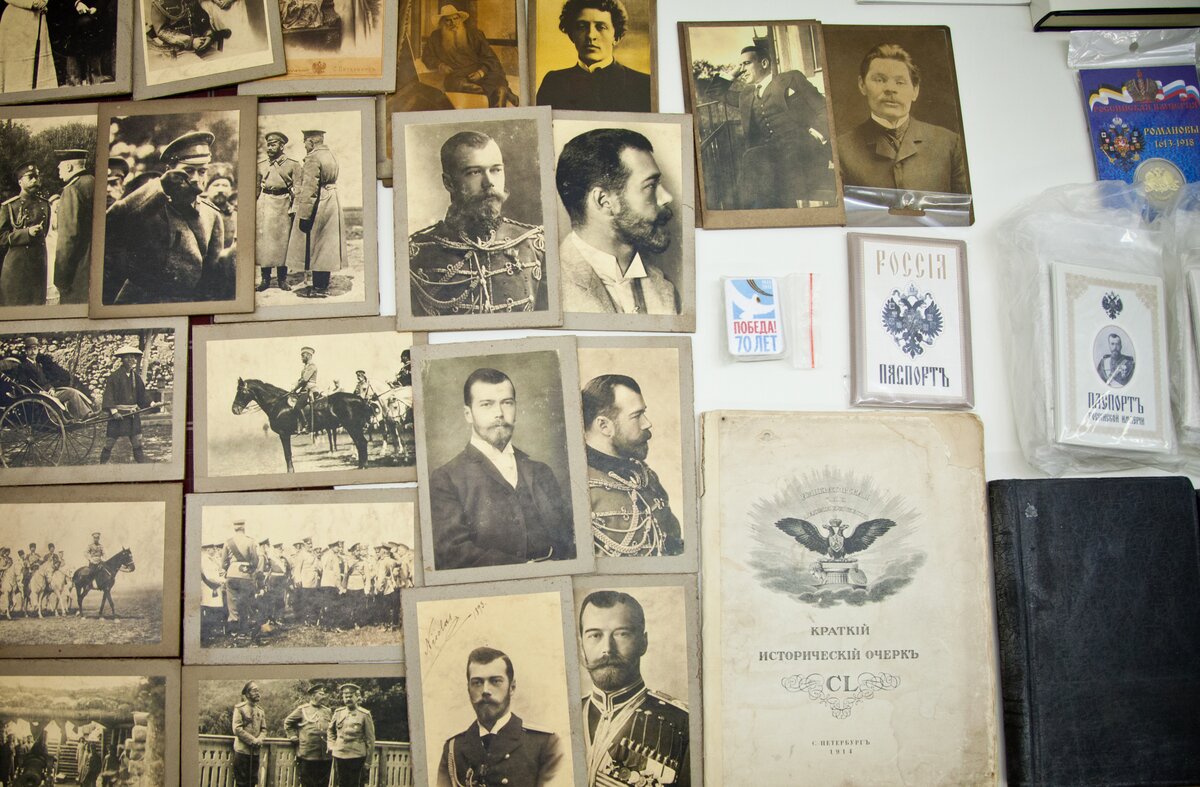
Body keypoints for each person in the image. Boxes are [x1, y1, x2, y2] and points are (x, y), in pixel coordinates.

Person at [429, 367, 576, 569]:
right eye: (486, 404)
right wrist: (528, 569)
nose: (499, 413)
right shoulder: (446, 479)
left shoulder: (541, 471)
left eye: (507, 403)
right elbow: (452, 554)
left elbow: (568, 541)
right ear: (468, 414)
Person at [408, 131, 547, 316]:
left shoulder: (535, 245)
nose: (489, 183)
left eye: (496, 170)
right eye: (474, 172)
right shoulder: (416, 254)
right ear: (449, 183)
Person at [555, 128, 678, 316]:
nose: (667, 197)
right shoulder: (548, 290)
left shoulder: (665, 290)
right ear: (603, 201)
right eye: (650, 186)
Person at [103, 130, 229, 305]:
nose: (195, 179)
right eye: (188, 171)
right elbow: (110, 225)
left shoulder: (212, 214)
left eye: (202, 171)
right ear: (169, 171)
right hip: (141, 301)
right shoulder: (149, 203)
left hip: (184, 302)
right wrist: (159, 187)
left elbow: (211, 271)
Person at [579, 590, 689, 786]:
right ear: (581, 647)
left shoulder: (683, 724)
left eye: (622, 634)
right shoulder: (564, 715)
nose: (607, 649)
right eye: (595, 635)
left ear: (643, 643)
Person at [836, 44, 968, 196]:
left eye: (900, 82)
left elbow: (966, 208)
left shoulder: (949, 143)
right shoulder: (841, 150)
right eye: (879, 80)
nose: (890, 89)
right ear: (862, 85)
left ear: (915, 91)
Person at [717, 43, 833, 210]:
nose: (742, 69)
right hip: (771, 158)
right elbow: (715, 93)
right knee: (759, 170)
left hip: (803, 152)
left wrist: (814, 136)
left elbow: (824, 108)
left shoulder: (790, 79)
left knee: (754, 163)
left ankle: (750, 216)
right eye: (740, 65)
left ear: (764, 63)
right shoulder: (747, 94)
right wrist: (734, 71)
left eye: (747, 63)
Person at [581, 374, 682, 557]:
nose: (647, 423)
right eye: (636, 416)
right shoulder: (578, 488)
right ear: (604, 426)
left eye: (644, 413)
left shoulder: (645, 476)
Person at [437, 647, 564, 787]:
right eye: (477, 683)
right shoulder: (454, 748)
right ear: (468, 689)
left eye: (495, 681)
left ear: (512, 687)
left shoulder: (544, 743)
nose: (485, 690)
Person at [535, 0, 650, 112]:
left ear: (616, 37)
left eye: (601, 27)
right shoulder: (553, 83)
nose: (590, 35)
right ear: (572, 35)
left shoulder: (643, 84)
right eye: (582, 26)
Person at [285, 130, 344, 298]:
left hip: (319, 203)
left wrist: (304, 215)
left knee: (317, 245)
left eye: (305, 141)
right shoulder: (330, 155)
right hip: (332, 200)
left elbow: (310, 189)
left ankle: (318, 288)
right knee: (326, 246)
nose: (304, 145)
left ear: (311, 142)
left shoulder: (313, 157)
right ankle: (322, 285)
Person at [421, 5, 512, 108]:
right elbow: (427, 56)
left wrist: (480, 72)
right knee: (456, 85)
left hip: (480, 71)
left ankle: (500, 97)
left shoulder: (475, 34)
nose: (453, 23)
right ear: (442, 22)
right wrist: (440, 65)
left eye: (455, 18)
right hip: (457, 75)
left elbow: (491, 58)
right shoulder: (435, 37)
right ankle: (503, 92)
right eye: (448, 20)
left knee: (497, 81)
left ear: (460, 19)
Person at [5, 336, 94, 418]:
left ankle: (85, 414)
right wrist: (39, 392)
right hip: (38, 396)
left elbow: (45, 381)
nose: (33, 352)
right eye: (30, 349)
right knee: (56, 401)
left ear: (38, 350)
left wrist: (51, 388)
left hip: (48, 393)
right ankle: (66, 419)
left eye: (35, 349)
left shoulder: (38, 365)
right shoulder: (22, 366)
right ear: (26, 351)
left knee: (71, 392)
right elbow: (23, 385)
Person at [0, 162, 50, 306]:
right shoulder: (10, 206)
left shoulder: (45, 204)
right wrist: (26, 233)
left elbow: (45, 232)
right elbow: (1, 237)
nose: (35, 180)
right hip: (17, 268)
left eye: (37, 177)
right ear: (20, 182)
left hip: (38, 265)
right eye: (30, 177)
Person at [255, 131, 299, 292]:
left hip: (283, 204)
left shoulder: (293, 165)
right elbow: (255, 189)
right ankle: (265, 279)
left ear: (281, 146)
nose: (269, 148)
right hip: (265, 203)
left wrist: (295, 208)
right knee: (265, 243)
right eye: (268, 145)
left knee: (283, 243)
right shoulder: (261, 165)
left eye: (273, 145)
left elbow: (298, 189)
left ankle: (282, 279)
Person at [99, 345, 155, 464]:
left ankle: (141, 467)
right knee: (109, 442)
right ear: (122, 359)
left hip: (133, 415)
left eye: (132, 357)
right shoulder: (114, 377)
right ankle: (101, 465)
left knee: (137, 441)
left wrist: (152, 403)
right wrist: (114, 412)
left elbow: (142, 393)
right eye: (127, 357)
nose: (130, 360)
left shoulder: (136, 377)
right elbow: (109, 395)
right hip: (118, 415)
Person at [51, 149, 93, 304]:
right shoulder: (94, 182)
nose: (58, 172)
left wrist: (61, 279)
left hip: (78, 271)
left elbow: (68, 238)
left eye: (59, 167)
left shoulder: (72, 189)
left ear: (69, 167)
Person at [0, 0, 58, 92]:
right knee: (16, 70)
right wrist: (33, 2)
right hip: (16, 21)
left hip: (37, 20)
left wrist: (43, 2)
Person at [284, 684, 333, 787]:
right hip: (308, 754)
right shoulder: (302, 709)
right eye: (321, 694)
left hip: (325, 756)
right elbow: (288, 722)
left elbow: (332, 729)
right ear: (313, 695)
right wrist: (292, 736)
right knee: (308, 783)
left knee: (324, 783)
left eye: (324, 694)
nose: (323, 696)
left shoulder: (327, 711)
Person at [328, 683, 374, 787]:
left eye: (350, 696)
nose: (348, 699)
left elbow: (370, 739)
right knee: (341, 783)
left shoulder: (364, 714)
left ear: (357, 697)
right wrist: (331, 744)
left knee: (356, 784)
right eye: (345, 696)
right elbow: (330, 730)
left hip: (357, 755)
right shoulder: (338, 712)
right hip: (340, 754)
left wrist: (368, 761)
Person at [221, 520, 259, 637]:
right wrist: (249, 570)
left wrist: (230, 568)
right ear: (244, 528)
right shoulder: (250, 541)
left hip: (231, 574)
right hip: (245, 575)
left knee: (232, 603)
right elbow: (255, 561)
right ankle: (243, 630)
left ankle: (233, 630)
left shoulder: (228, 542)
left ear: (235, 528)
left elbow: (223, 562)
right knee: (244, 603)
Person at [232, 681, 266, 787]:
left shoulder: (260, 711)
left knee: (252, 782)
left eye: (258, 690)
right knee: (241, 783)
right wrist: (253, 740)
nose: (257, 693)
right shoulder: (240, 708)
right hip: (242, 752)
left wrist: (259, 739)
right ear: (247, 694)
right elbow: (237, 729)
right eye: (254, 690)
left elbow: (264, 729)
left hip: (255, 752)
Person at [203, 167, 237, 264]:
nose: (220, 189)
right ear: (206, 189)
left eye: (225, 185)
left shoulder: (235, 214)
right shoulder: (199, 212)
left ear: (231, 189)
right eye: (216, 185)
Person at [199, 541, 226, 638]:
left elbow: (218, 570)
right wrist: (222, 580)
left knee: (214, 609)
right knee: (209, 609)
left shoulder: (212, 559)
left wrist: (222, 573)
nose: (215, 550)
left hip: (215, 587)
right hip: (209, 587)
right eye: (213, 549)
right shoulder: (205, 560)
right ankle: (208, 633)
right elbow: (209, 577)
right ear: (207, 550)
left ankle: (213, 631)